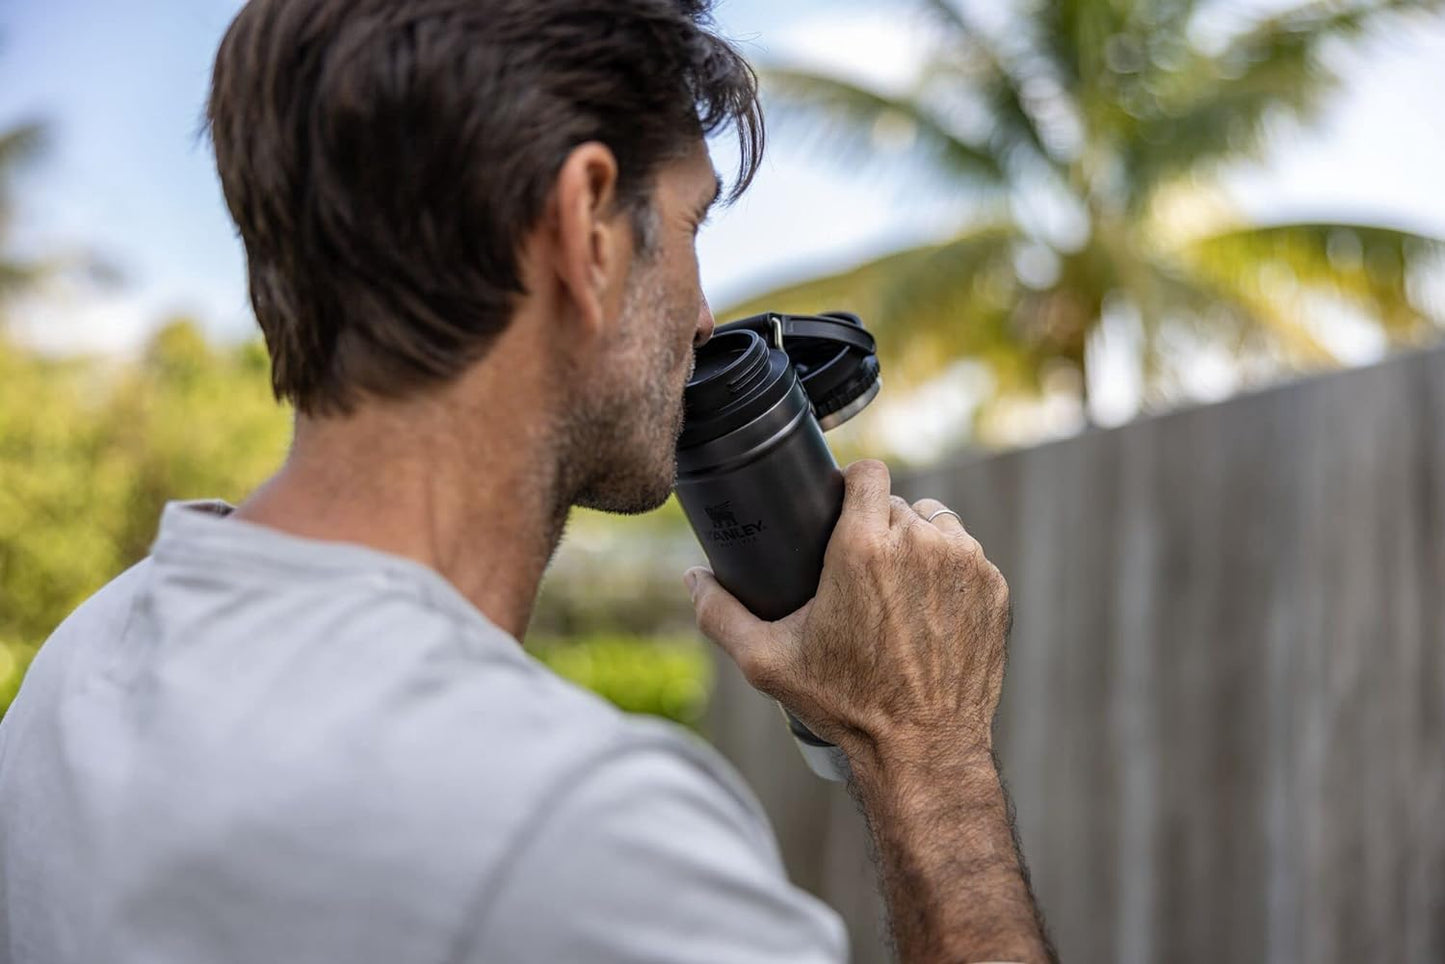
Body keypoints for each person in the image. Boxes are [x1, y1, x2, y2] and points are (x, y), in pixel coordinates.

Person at [0, 1, 1056, 961]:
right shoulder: (578, 835)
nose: (702, 321)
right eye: (689, 227)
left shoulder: (79, 668)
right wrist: (925, 752)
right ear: (584, 226)